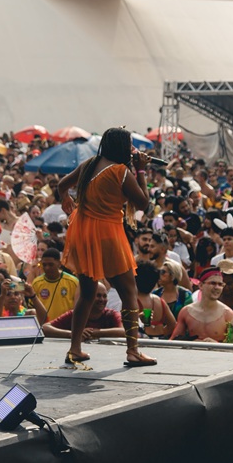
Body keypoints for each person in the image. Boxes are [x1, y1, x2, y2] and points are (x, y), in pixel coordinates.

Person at [57, 127, 156, 367]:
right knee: (129, 292)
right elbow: (144, 203)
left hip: (82, 231)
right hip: (107, 234)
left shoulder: (89, 164)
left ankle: (75, 349)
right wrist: (141, 170)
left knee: (88, 292)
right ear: (123, 147)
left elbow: (62, 184)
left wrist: (66, 200)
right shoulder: (121, 172)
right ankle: (133, 351)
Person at [42, 284, 124, 341]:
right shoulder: (75, 315)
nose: (102, 300)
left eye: (104, 296)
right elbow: (45, 328)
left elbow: (124, 331)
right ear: (88, 296)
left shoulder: (111, 315)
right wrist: (73, 334)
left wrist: (95, 332)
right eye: (98, 296)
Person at [171, 268, 233, 342]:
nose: (217, 287)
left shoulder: (227, 314)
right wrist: (191, 342)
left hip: (216, 353)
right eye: (213, 283)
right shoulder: (186, 312)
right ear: (201, 285)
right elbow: (174, 341)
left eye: (220, 284)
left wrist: (216, 344)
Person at [29, 248, 79, 323]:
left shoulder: (73, 282)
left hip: (66, 328)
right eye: (44, 265)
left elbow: (78, 309)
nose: (47, 268)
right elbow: (32, 308)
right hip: (45, 328)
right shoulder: (36, 283)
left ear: (59, 263)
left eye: (51, 264)